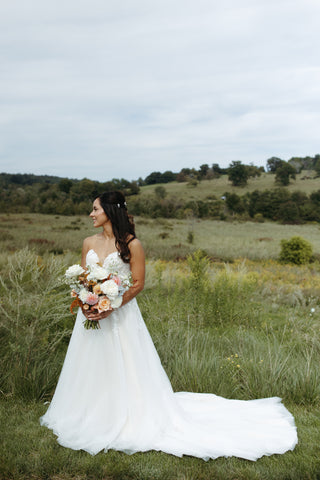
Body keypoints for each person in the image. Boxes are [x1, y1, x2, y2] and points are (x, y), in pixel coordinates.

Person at [40, 191, 298, 460]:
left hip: (120, 316)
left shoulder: (132, 244)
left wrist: (109, 307)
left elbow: (138, 283)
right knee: (90, 362)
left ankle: (125, 414)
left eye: (95, 209)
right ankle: (87, 410)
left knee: (125, 364)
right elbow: (83, 277)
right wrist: (87, 302)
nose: (91, 214)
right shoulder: (87, 242)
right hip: (90, 314)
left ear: (109, 211)